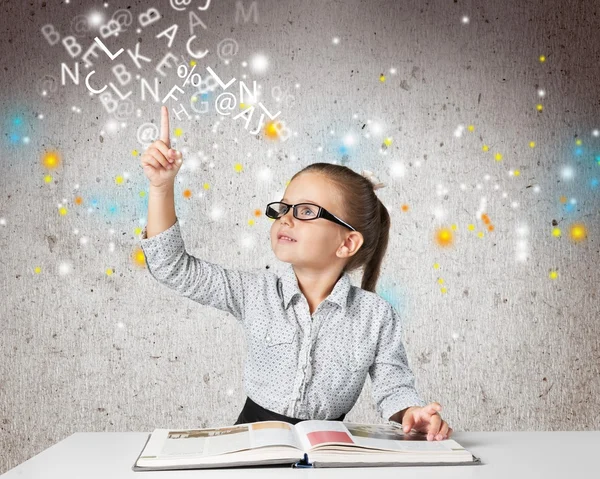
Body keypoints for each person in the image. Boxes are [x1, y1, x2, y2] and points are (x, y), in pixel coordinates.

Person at [138, 106, 453, 441]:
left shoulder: (376, 316)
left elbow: (394, 387)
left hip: (328, 448)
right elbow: (172, 266)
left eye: (305, 211)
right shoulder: (254, 292)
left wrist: (412, 413)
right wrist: (161, 187)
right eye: (283, 208)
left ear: (347, 243)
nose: (285, 219)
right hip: (251, 441)